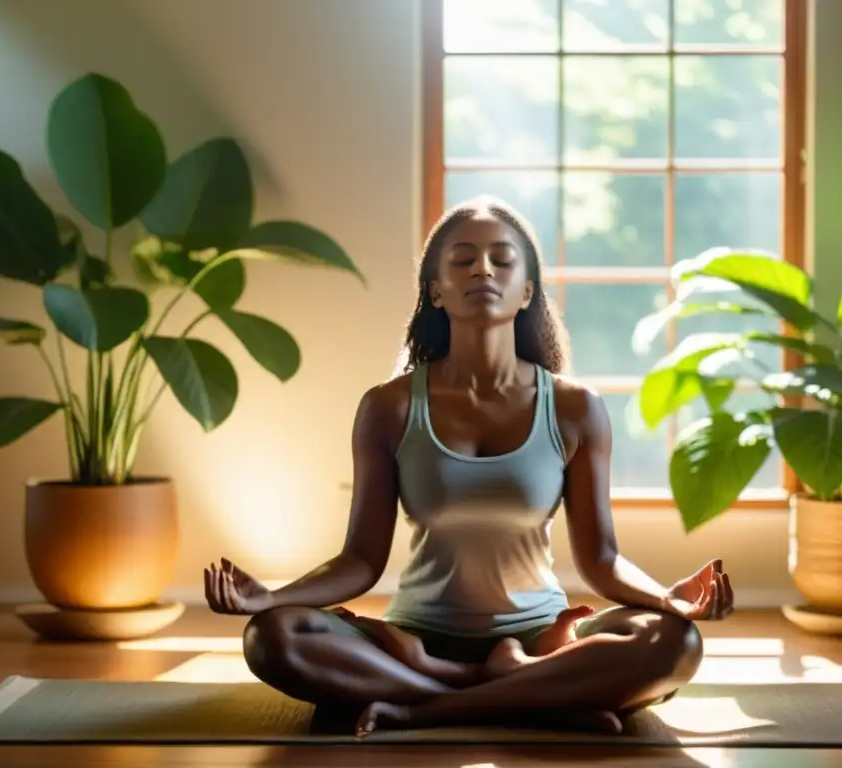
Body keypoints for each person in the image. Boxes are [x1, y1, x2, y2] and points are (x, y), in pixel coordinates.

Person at [203, 196, 734, 738]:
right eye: (462, 260)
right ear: (435, 290)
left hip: (536, 640)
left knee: (672, 641)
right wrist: (271, 597)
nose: (483, 269)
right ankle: (533, 697)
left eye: (503, 260)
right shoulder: (390, 407)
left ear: (527, 291)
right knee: (273, 636)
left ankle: (427, 705)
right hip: (418, 634)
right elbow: (361, 560)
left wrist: (665, 599)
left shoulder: (575, 408)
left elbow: (600, 559)